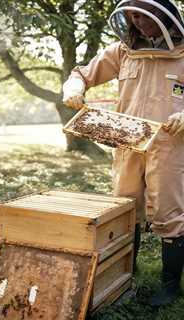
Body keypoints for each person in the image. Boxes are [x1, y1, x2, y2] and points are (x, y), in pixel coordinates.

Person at [62, 0, 184, 307]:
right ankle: (127, 270)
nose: (138, 24)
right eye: (132, 18)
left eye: (143, 17)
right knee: (125, 207)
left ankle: (169, 287)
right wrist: (74, 88)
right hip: (128, 141)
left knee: (170, 214)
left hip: (171, 146)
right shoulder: (122, 51)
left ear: (163, 15)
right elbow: (82, 73)